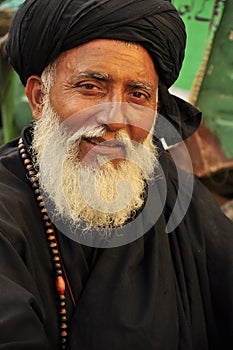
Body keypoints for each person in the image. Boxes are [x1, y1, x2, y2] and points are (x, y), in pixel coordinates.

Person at [0, 0, 233, 349]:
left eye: (138, 95)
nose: (117, 119)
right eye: (90, 88)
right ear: (38, 97)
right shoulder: (7, 210)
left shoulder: (166, 188)